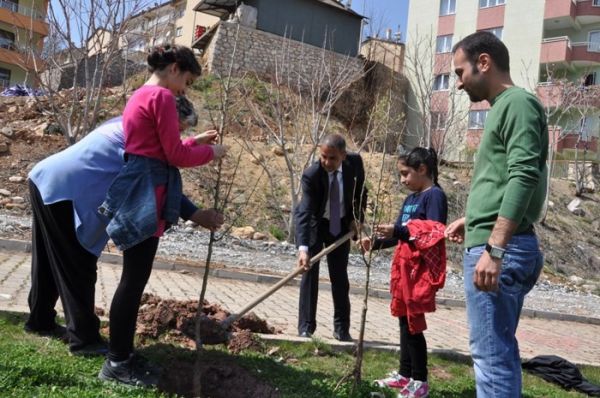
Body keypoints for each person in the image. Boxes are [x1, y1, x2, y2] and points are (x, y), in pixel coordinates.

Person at [25, 96, 224, 357]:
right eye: (179, 130)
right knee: (77, 264)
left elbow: (163, 154)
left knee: (51, 259)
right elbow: (157, 170)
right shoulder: (142, 136)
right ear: (166, 120)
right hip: (65, 191)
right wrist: (197, 212)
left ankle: (40, 321)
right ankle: (84, 340)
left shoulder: (132, 125)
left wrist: (192, 143)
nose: (177, 137)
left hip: (46, 178)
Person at [97, 44, 227, 387]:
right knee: (132, 281)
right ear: (173, 68)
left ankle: (122, 353)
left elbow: (158, 146)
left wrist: (195, 140)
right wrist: (212, 152)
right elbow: (173, 155)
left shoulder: (141, 94)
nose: (184, 88)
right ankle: (116, 362)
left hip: (139, 183)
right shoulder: (164, 98)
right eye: (185, 79)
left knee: (133, 279)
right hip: (147, 192)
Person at [445, 31, 548, 397]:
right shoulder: (505, 107)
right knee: (494, 353)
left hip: (501, 250)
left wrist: (496, 248)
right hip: (495, 241)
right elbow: (504, 180)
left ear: (483, 62)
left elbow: (524, 174)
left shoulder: (517, 103)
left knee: (492, 358)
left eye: (459, 73)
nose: (458, 84)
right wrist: (473, 221)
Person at [360, 147, 447, 398]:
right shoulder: (410, 199)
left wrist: (398, 232)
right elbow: (400, 233)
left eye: (405, 174)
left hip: (419, 271)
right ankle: (405, 374)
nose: (402, 180)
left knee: (414, 323)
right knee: (402, 319)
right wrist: (374, 243)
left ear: (422, 170)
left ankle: (420, 381)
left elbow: (433, 231)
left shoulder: (434, 196)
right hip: (403, 267)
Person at [295, 134, 367, 341]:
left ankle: (342, 329)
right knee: (309, 274)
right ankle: (306, 327)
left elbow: (361, 193)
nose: (327, 162)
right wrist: (303, 249)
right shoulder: (312, 174)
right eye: (323, 157)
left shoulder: (355, 164)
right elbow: (305, 212)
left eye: (332, 158)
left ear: (343, 156)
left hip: (340, 226)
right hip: (316, 225)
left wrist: (356, 218)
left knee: (340, 278)